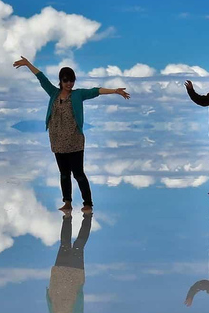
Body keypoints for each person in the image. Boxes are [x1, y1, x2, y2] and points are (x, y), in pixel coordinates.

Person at [13, 57, 130, 213]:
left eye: (72, 81)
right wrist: (28, 65)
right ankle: (67, 202)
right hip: (57, 141)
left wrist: (114, 91)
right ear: (61, 81)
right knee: (64, 174)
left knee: (78, 174)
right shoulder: (53, 93)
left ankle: (87, 203)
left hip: (74, 140)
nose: (69, 84)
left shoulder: (78, 95)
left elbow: (96, 91)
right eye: (66, 80)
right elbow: (41, 78)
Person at [14, 214, 130, 313]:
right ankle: (87, 215)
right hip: (75, 275)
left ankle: (67, 215)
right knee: (79, 244)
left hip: (59, 274)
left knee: (64, 244)